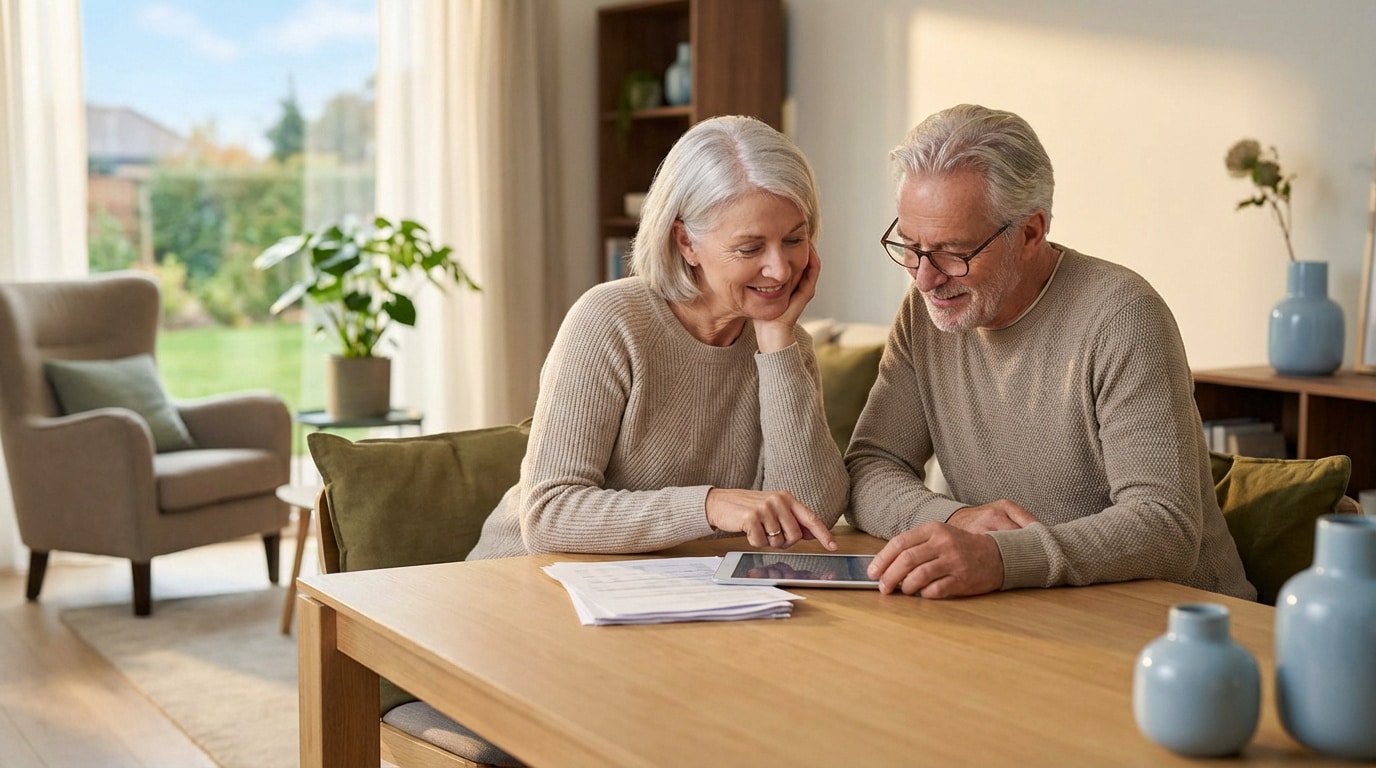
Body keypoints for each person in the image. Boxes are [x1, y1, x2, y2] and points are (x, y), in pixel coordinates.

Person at [846, 104, 1255, 600]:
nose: (925, 277)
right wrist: (955, 519)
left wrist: (1001, 558)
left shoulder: (1123, 317)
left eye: (954, 252)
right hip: (1024, 612)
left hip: (1174, 624)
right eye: (910, 246)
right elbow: (869, 467)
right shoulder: (923, 314)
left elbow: (1164, 524)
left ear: (1030, 233)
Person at [468, 115, 847, 561]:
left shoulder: (783, 345)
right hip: (524, 585)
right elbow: (549, 516)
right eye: (750, 248)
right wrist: (708, 505)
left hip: (664, 595)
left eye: (794, 239)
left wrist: (779, 343)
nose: (780, 270)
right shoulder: (611, 321)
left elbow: (810, 515)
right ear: (685, 242)